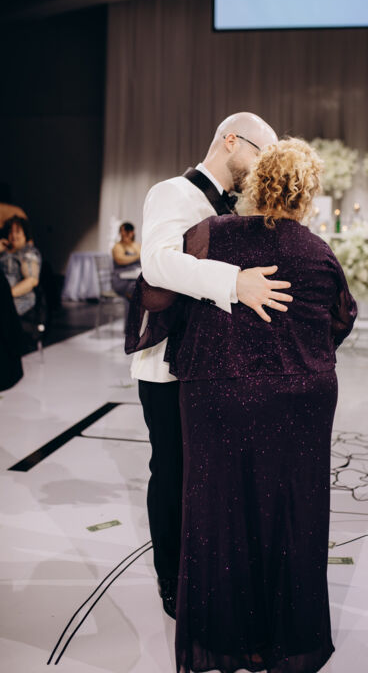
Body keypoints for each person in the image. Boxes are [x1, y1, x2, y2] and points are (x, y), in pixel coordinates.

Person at [159, 138, 357, 673]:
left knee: (218, 511)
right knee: (292, 512)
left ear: (255, 183)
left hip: (217, 391)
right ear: (307, 194)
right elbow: (341, 317)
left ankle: (224, 640)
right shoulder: (318, 250)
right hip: (300, 396)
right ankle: (286, 639)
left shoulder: (210, 234)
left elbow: (158, 296)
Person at [129, 113, 293, 619]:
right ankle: (171, 578)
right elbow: (157, 263)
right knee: (172, 472)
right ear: (230, 140)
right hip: (168, 368)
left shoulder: (235, 207)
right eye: (261, 154)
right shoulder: (172, 192)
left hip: (210, 368)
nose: (264, 167)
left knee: (207, 476)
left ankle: (205, 568)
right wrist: (233, 282)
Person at [0, 216, 41, 317]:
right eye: (10, 232)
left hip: (19, 299)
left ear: (25, 234)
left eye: (17, 232)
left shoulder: (28, 252)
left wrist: (7, 295)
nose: (13, 235)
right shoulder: (4, 252)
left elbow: (32, 280)